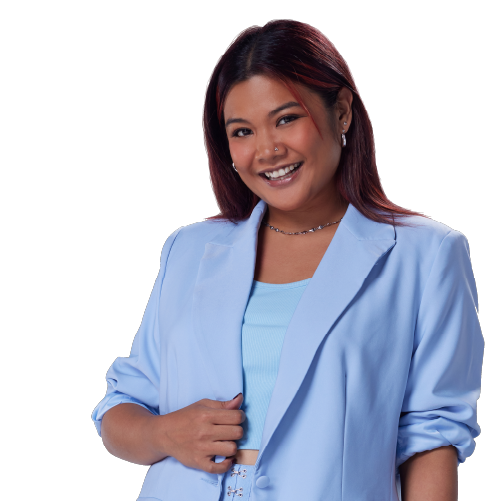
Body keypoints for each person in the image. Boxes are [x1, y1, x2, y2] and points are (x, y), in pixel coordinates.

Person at [91, 19, 484, 501]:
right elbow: (121, 406)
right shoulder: (189, 250)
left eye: (286, 119)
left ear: (342, 112)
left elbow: (431, 435)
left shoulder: (426, 255)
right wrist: (163, 434)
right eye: (242, 131)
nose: (268, 150)